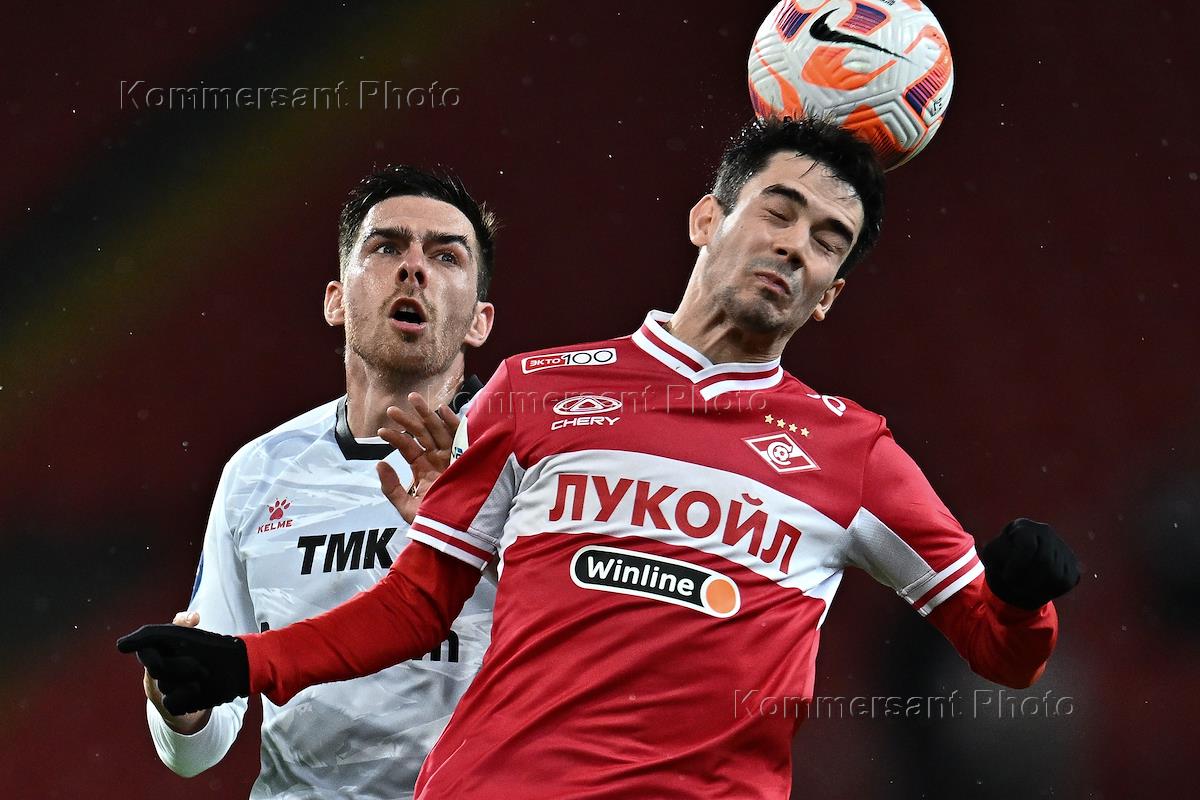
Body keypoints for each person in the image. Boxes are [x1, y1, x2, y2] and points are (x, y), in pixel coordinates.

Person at [120, 117, 1080, 799]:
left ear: (829, 293)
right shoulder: (533, 390)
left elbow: (1002, 650)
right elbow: (414, 607)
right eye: (778, 212)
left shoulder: (853, 451)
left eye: (829, 241)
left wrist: (1023, 594)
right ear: (707, 219)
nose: (796, 247)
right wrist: (241, 663)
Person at [133, 165, 500, 798]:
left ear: (479, 321)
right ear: (335, 300)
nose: (414, 268)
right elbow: (198, 747)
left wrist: (472, 532)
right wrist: (181, 708)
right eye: (386, 247)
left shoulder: (521, 462)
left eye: (446, 256)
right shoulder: (258, 472)